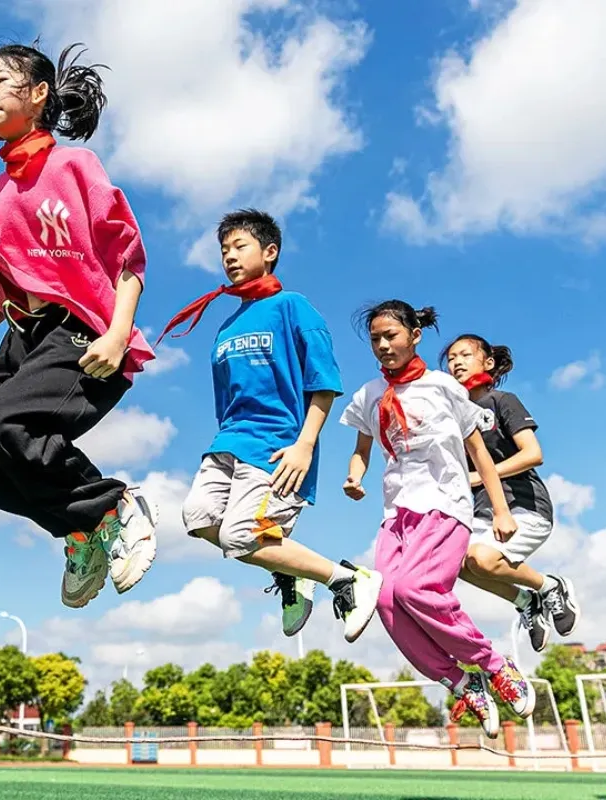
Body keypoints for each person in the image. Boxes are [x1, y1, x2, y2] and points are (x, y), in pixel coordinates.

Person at [0, 42, 158, 609]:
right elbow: (13, 282)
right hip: (21, 335)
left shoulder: (74, 166)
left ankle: (113, 507)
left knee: (8, 424)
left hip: (82, 330)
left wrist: (117, 332)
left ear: (37, 95)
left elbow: (129, 258)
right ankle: (79, 533)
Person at [159, 209, 382, 643]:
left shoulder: (293, 307)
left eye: (239, 246)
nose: (229, 257)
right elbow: (226, 399)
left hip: (278, 445)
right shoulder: (225, 326)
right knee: (198, 516)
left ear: (270, 251)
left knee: (242, 536)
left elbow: (325, 384)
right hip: (229, 441)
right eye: (223, 250)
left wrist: (305, 446)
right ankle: (292, 575)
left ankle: (348, 580)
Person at [340, 301, 535, 739]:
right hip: (396, 512)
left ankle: (495, 664)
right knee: (386, 601)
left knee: (416, 589)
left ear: (415, 335)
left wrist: (501, 510)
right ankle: (463, 682)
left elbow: (479, 453)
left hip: (445, 503)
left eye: (392, 335)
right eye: (375, 339)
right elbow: (362, 450)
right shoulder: (369, 394)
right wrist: (354, 477)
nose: (384, 345)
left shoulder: (445, 387)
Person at [443, 335, 578, 652]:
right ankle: (526, 600)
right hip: (480, 511)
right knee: (457, 565)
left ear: (487, 363)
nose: (457, 362)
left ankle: (550, 586)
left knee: (481, 558)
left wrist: (481, 475)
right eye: (451, 358)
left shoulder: (502, 401)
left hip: (524, 505)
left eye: (465, 354)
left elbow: (533, 454)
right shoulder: (452, 417)